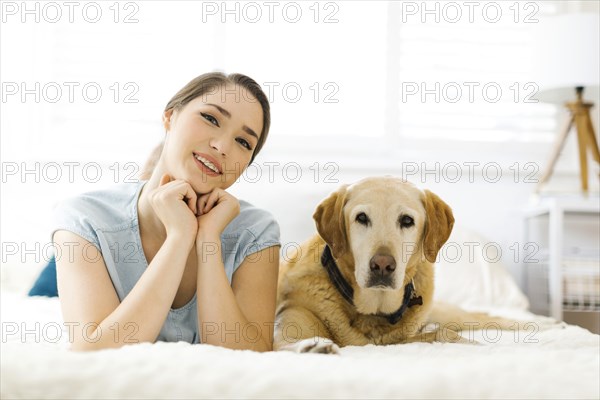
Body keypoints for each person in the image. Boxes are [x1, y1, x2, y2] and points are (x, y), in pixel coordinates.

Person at [52, 72, 280, 351]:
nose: (221, 147)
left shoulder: (256, 231)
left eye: (243, 143)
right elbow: (93, 353)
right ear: (170, 117)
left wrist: (208, 240)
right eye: (210, 118)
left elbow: (252, 359)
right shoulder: (83, 218)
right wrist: (179, 236)